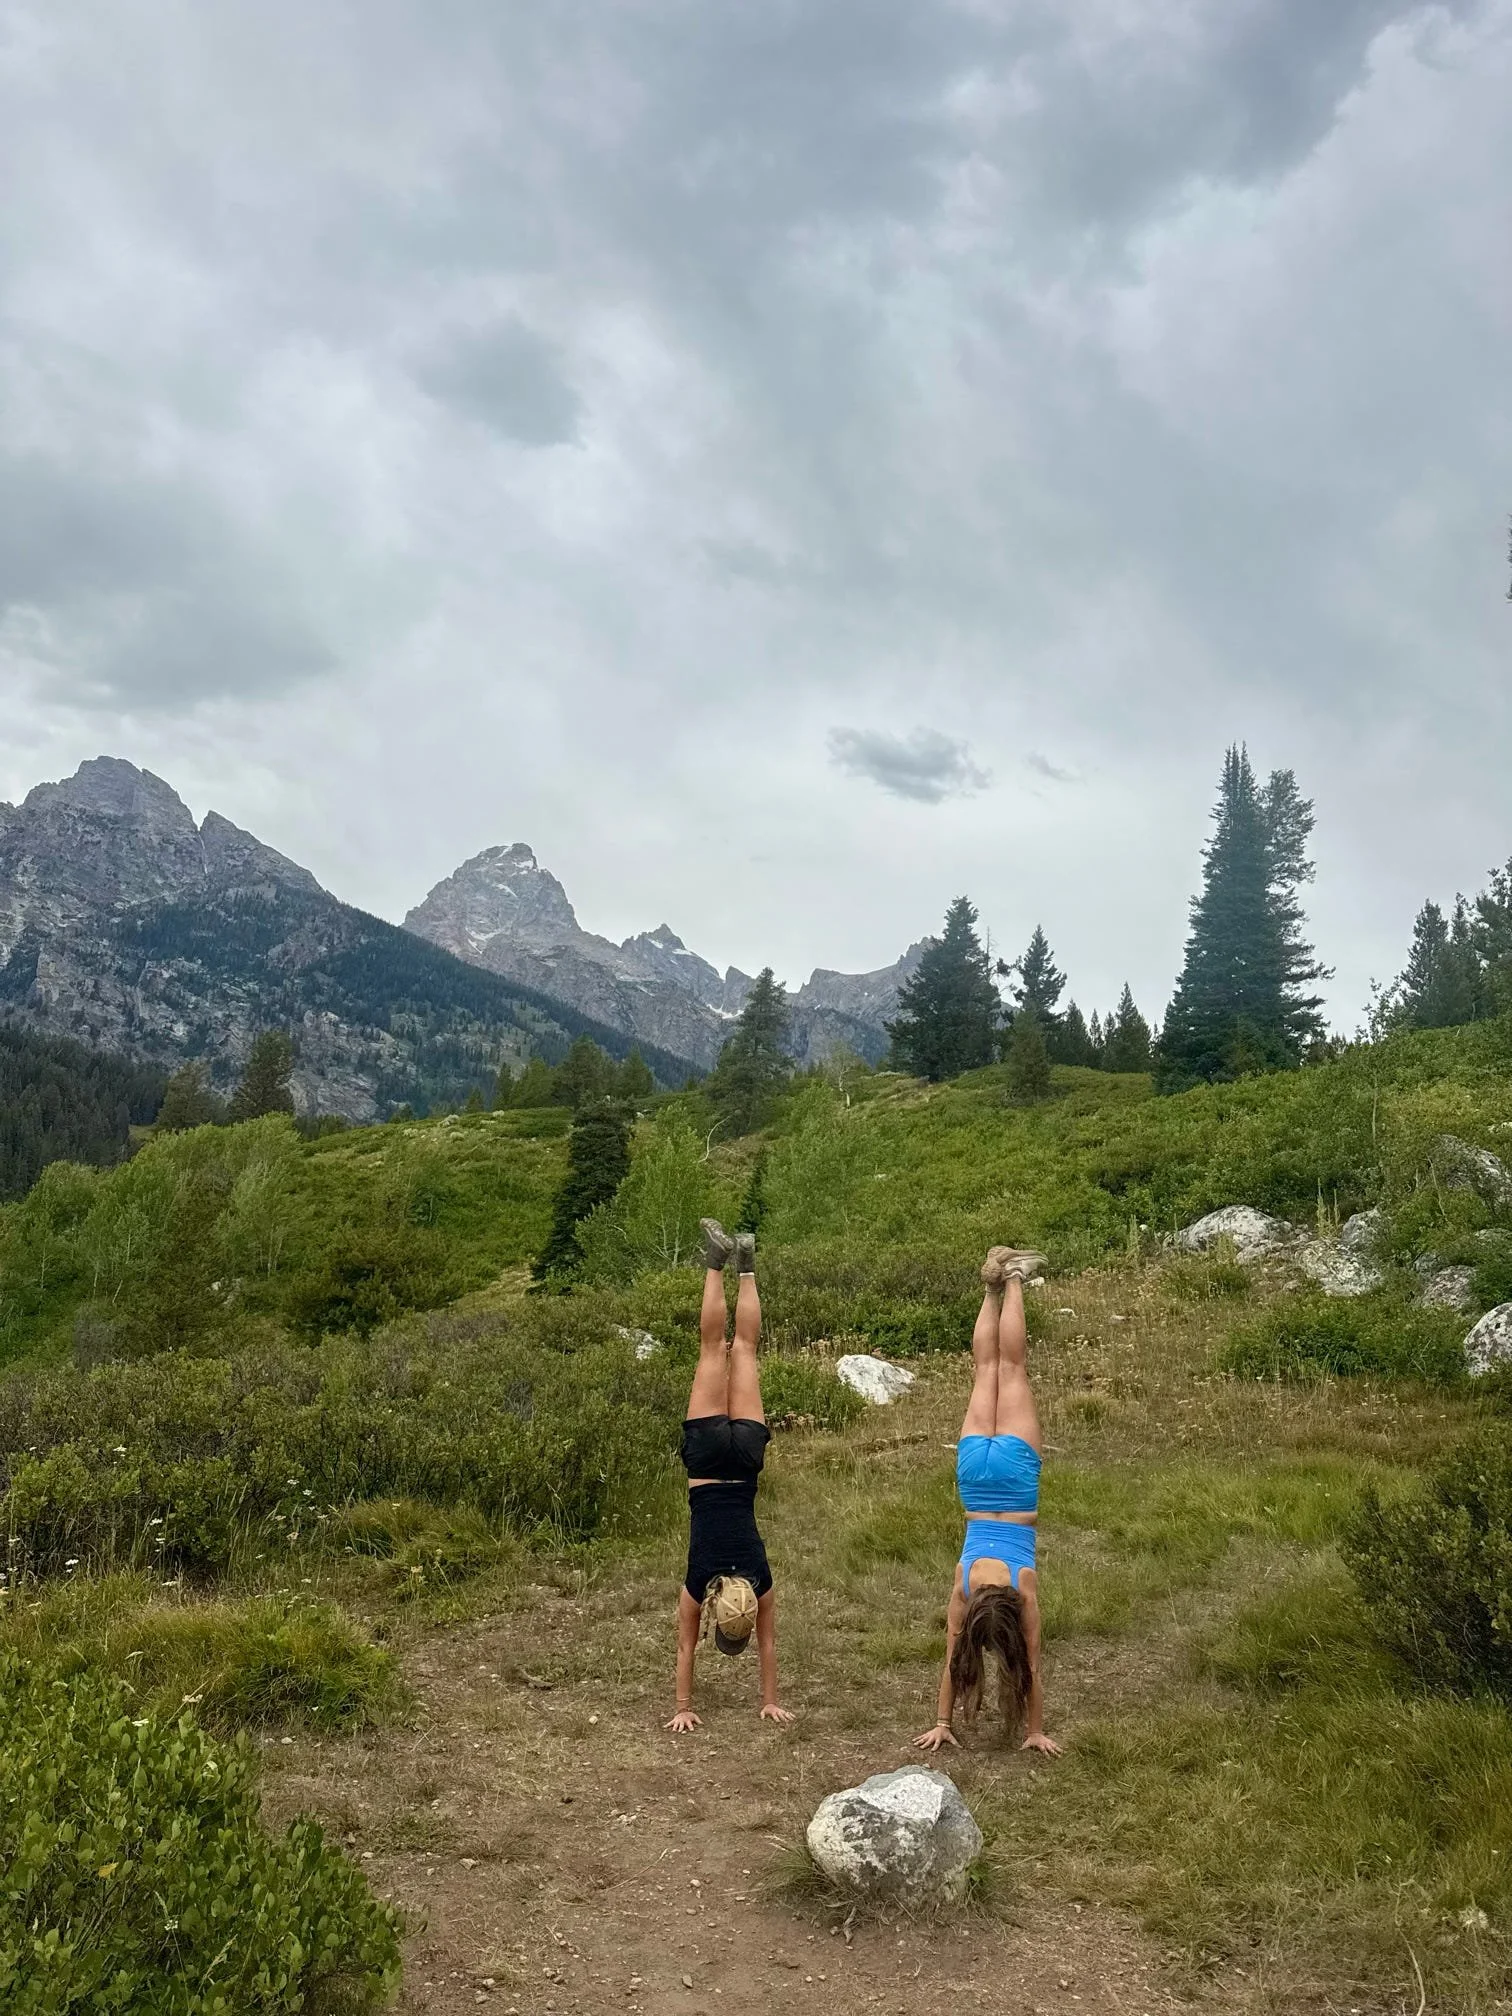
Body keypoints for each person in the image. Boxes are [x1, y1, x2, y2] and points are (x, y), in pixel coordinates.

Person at [914, 1245, 1062, 1756]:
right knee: (985, 1370)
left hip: (1016, 1481)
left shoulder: (1024, 1586)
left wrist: (1034, 1730)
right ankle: (991, 1287)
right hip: (975, 1481)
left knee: (1011, 1369)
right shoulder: (964, 1581)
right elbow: (952, 1655)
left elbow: (1033, 1664)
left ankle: (1014, 1277)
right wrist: (940, 1720)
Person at [666, 1219, 794, 1734]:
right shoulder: (699, 1580)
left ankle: (746, 1263)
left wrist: (770, 1698)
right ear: (715, 1611)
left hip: (745, 1462)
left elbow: (769, 1644)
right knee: (712, 1346)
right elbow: (684, 1647)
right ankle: (715, 1261)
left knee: (744, 1347)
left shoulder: (761, 1580)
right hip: (705, 1459)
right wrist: (682, 1706)